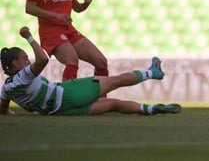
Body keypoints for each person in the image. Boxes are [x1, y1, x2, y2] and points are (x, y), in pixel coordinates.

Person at [0, 26, 182, 116]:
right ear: (15, 64)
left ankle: (151, 109)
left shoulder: (6, 88)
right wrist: (29, 37)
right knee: (115, 81)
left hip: (60, 112)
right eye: (24, 58)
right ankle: (152, 73)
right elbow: (42, 59)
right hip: (68, 93)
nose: (28, 61)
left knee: (112, 105)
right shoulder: (23, 76)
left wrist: (7, 111)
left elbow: (2, 108)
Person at [25, 0, 108, 81]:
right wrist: (56, 15)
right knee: (72, 60)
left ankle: (100, 99)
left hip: (68, 30)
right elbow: (29, 8)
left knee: (101, 61)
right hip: (51, 32)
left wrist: (86, 3)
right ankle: (67, 99)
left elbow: (77, 8)